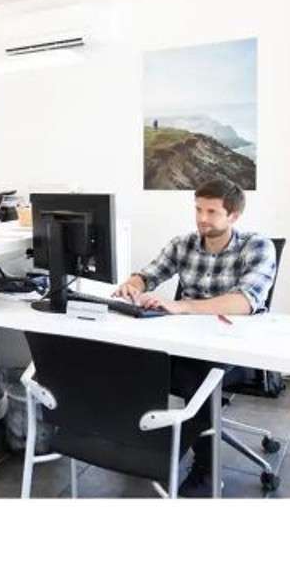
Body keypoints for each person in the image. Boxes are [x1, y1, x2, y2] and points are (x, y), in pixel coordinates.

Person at [113, 177, 278, 496]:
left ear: (233, 216)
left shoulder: (257, 246)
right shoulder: (183, 244)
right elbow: (149, 274)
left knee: (196, 379)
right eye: (198, 209)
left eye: (212, 212)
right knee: (135, 362)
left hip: (235, 349)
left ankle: (206, 471)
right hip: (185, 341)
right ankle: (142, 450)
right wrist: (133, 285)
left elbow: (244, 302)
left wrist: (182, 306)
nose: (202, 218)